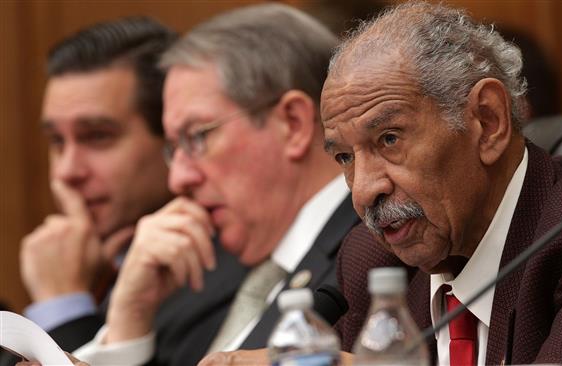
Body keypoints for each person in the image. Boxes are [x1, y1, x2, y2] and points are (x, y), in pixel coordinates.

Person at [320, 1, 562, 365]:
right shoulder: (371, 262)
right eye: (346, 157)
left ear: (487, 121)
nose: (365, 190)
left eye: (390, 139)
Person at [73, 4, 361, 366]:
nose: (178, 179)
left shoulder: (369, 258)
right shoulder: (201, 270)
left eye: (197, 138)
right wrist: (129, 323)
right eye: (173, 149)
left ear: (293, 123)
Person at [11, 16, 175, 360]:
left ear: (172, 139)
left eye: (98, 136)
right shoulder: (93, 264)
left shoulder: (216, 271)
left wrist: (64, 304)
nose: (67, 171)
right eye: (57, 140)